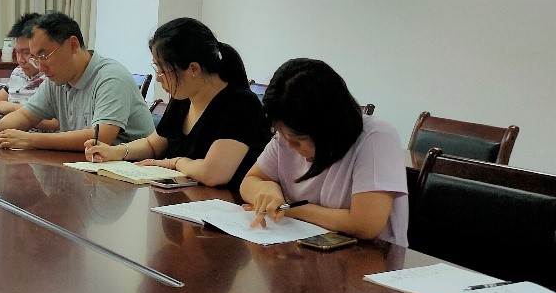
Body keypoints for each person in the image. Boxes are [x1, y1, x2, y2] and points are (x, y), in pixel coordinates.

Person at [240, 58, 409, 245]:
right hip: (304, 248)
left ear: (327, 127)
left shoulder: (376, 137)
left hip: (368, 255)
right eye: (280, 133)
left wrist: (289, 209)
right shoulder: (287, 135)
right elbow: (249, 181)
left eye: (298, 141)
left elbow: (365, 225)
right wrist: (267, 189)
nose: (288, 145)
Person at [85, 18, 268, 188]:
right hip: (180, 200)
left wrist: (175, 162)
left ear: (193, 69)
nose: (158, 78)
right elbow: (153, 145)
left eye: (163, 69)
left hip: (225, 204)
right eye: (156, 67)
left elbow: (213, 173)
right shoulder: (183, 98)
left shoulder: (241, 105)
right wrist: (115, 152)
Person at [0, 11, 155, 151]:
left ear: (73, 45)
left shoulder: (111, 77)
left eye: (44, 56)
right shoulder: (56, 80)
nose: (41, 68)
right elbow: (26, 115)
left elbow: (101, 137)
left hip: (131, 173)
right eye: (36, 59)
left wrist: (30, 139)